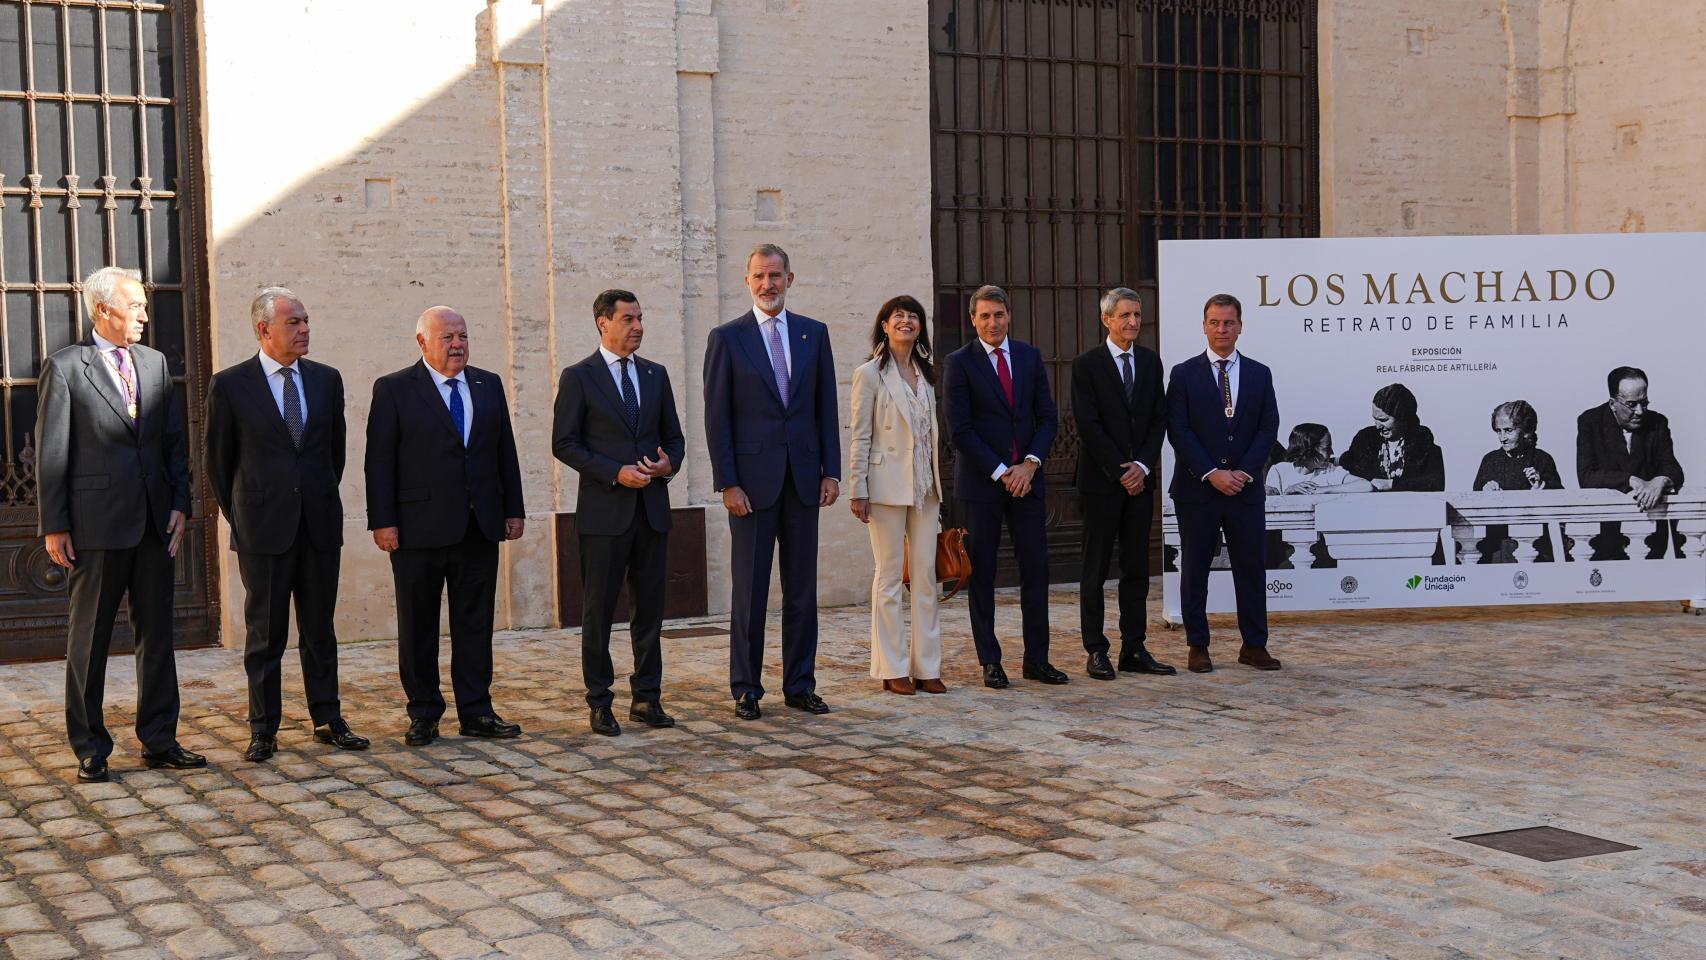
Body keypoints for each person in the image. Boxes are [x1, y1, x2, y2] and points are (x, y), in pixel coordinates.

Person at [35, 266, 203, 782]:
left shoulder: (153, 364)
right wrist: (55, 524)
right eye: (136, 307)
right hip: (96, 527)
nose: (145, 316)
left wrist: (180, 502)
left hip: (154, 523)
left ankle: (160, 739)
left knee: (158, 636)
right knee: (90, 639)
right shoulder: (65, 368)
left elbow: (173, 442)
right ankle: (89, 745)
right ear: (103, 310)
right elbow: (52, 453)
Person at [204, 288, 367, 762]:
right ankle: (263, 728)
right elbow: (219, 463)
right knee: (266, 634)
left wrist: (311, 499)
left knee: (320, 630)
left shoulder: (326, 380)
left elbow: (333, 454)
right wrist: (247, 515)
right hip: (263, 530)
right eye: (294, 322)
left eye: (306, 320)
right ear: (264, 329)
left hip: (317, 525)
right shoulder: (230, 385)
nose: (304, 330)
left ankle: (327, 717)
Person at [366, 306, 526, 746]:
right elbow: (379, 462)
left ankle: (476, 711)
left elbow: (503, 453)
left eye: (463, 335)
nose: (457, 345)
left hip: (479, 525)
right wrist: (383, 522)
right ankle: (423, 713)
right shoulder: (395, 389)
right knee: (418, 626)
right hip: (416, 531)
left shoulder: (487, 384)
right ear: (422, 342)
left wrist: (513, 509)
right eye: (447, 337)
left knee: (474, 625)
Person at [703, 244, 840, 720]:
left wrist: (831, 470)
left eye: (776, 275)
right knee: (751, 591)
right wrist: (727, 483)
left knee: (802, 590)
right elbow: (717, 419)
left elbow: (826, 409)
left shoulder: (813, 335)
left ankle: (800, 684)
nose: (768, 284)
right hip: (752, 488)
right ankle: (746, 687)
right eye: (760, 276)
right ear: (747, 281)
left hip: (804, 480)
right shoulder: (727, 338)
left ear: (790, 278)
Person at [552, 290, 685, 735]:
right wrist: (614, 472)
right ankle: (600, 701)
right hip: (604, 515)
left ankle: (647, 698)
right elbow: (564, 443)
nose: (638, 326)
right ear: (602, 323)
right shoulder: (579, 377)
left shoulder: (656, 374)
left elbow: (675, 438)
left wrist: (669, 466)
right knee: (599, 611)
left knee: (649, 613)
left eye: (641, 318)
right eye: (628, 318)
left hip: (651, 512)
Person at [942, 284, 1068, 688]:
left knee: (1036, 569)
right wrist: (1002, 471)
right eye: (984, 316)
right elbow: (959, 430)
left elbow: (1047, 417)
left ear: (1008, 316)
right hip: (981, 485)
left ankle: (1037, 659)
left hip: (1027, 483)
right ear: (972, 320)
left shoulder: (1030, 358)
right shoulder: (958, 363)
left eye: (998, 315)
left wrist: (1029, 466)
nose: (992, 322)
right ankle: (990, 659)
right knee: (983, 573)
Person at [1164, 293, 1281, 674]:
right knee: (1195, 567)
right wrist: (1211, 473)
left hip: (1245, 491)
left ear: (1240, 326)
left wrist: (1244, 472)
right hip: (1198, 490)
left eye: (1228, 322)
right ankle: (1198, 645)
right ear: (1204, 326)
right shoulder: (1184, 374)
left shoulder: (1260, 373)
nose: (1221, 329)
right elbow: (1178, 429)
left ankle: (1254, 645)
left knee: (1251, 568)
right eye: (1214, 322)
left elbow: (1268, 426)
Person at [1071, 287, 1174, 682]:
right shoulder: (1086, 365)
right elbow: (1089, 425)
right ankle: (1096, 649)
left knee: (1136, 568)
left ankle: (1135, 647)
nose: (1133, 322)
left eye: (1137, 315)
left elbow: (1157, 420)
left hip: (1140, 484)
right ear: (1106, 320)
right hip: (1101, 484)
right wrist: (1121, 469)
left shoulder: (1150, 363)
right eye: (1125, 315)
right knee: (1094, 569)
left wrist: (1143, 466)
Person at [848, 295, 946, 696]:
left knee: (925, 577)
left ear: (921, 327)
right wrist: (857, 488)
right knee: (888, 576)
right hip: (885, 487)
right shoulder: (869, 374)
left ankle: (927, 666)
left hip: (925, 488)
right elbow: (860, 434)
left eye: (913, 316)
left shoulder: (927, 375)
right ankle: (891, 667)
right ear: (884, 326)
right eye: (898, 316)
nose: (906, 321)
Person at [1576, 366, 1685, 559]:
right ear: (1612, 403)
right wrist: (1631, 480)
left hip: (1649, 534)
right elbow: (1586, 476)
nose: (1640, 411)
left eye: (1644, 403)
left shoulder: (1658, 422)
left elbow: (1673, 468)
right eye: (1632, 404)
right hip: (1604, 536)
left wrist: (1661, 480)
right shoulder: (1590, 421)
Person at [1340, 383, 1446, 492]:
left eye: (1383, 420)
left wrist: (1392, 484)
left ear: (1403, 418)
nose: (1377, 426)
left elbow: (1436, 483)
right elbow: (1346, 472)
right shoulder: (1364, 440)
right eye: (1375, 419)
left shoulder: (1425, 446)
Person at [1473, 401, 1562, 493]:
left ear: (1526, 430)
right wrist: (1485, 490)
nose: (1502, 438)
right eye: (1499, 431)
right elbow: (1474, 497)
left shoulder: (1543, 460)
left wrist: (1539, 486)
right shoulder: (1490, 460)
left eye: (1509, 430)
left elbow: (1560, 499)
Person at [1264, 424, 1371, 495]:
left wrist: (1324, 490)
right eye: (1326, 448)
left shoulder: (1330, 470)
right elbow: (1271, 504)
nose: (1332, 453)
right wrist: (1288, 492)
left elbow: (1366, 486)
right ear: (1308, 451)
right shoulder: (1279, 471)